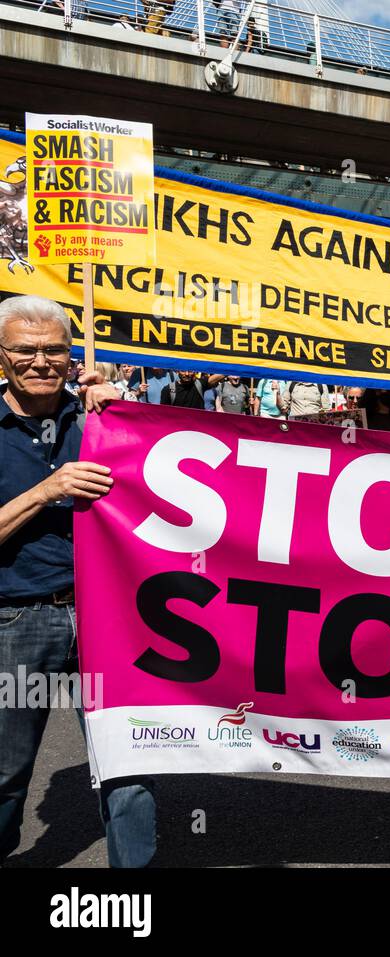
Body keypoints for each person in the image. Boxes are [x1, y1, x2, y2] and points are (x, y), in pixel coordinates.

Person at [0, 295, 156, 867]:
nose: (41, 362)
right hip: (18, 621)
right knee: (6, 770)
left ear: (72, 356)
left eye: (54, 350)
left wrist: (125, 416)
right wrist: (46, 490)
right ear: (1, 357)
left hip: (109, 618)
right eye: (25, 350)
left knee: (131, 765)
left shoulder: (101, 418)